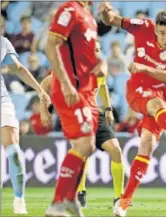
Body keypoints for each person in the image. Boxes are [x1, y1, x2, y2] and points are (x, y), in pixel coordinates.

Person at [99, 2, 166, 216]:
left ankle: (123, 203)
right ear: (155, 29)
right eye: (162, 33)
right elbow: (111, 21)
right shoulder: (142, 27)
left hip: (162, 95)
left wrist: (144, 66)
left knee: (146, 145)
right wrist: (104, 11)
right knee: (155, 105)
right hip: (137, 89)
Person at [40, 41, 125, 211]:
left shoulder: (101, 68)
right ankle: (79, 192)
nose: (98, 53)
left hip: (95, 113)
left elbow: (103, 86)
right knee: (83, 151)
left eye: (100, 50)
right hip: (77, 114)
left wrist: (107, 108)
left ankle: (118, 198)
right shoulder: (74, 68)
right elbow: (46, 84)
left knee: (115, 149)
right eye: (95, 50)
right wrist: (44, 110)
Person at [44, 1, 103, 216]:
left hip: (86, 92)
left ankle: (68, 198)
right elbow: (51, 44)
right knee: (85, 144)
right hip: (72, 89)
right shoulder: (69, 10)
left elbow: (86, 54)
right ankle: (58, 202)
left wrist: (100, 63)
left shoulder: (87, 14)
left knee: (86, 146)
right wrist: (66, 83)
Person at [0, 35, 50, 214]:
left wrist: (40, 90)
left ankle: (19, 199)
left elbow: (18, 68)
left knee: (13, 150)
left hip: (2, 102)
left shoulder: (3, 42)